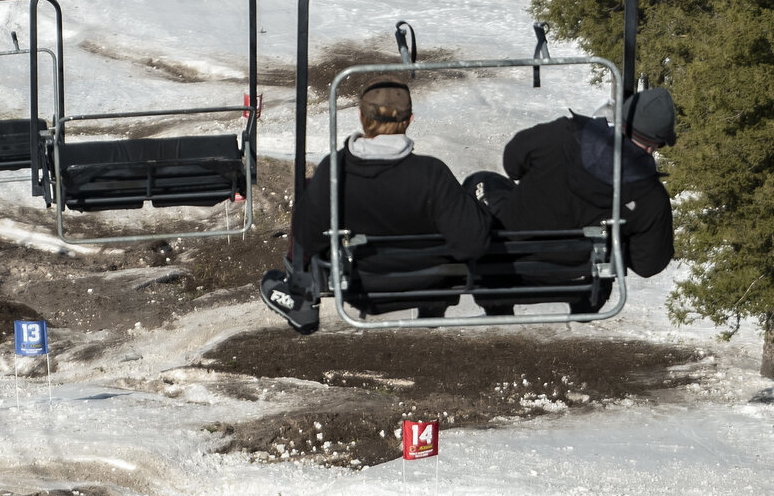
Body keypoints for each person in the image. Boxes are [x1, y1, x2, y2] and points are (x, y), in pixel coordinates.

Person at [260, 77, 494, 333]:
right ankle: (432, 303)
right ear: (409, 120)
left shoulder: (336, 171)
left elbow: (308, 237)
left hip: (359, 281)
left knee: (307, 193)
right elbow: (472, 243)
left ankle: (300, 298)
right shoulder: (432, 174)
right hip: (427, 280)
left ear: (361, 116)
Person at [466, 86, 676, 283]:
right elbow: (648, 264)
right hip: (576, 279)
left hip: (511, 253)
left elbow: (512, 164)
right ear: (656, 145)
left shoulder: (561, 136)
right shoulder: (652, 198)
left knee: (482, 181)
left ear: (621, 121)